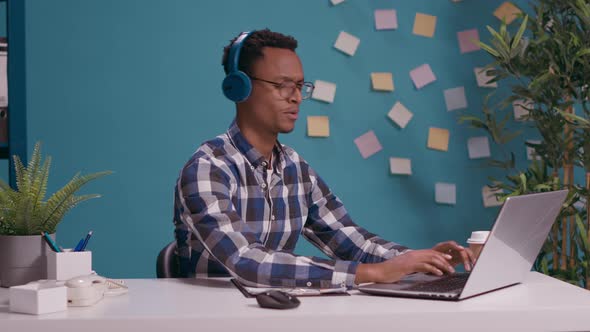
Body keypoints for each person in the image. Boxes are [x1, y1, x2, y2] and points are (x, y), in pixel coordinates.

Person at [173, 29, 474, 289]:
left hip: (271, 311)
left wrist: (415, 260)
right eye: (282, 85)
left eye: (300, 86)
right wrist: (373, 273)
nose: (296, 97)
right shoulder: (207, 168)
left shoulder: (294, 168)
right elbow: (246, 261)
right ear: (240, 88)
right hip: (213, 316)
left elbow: (345, 237)